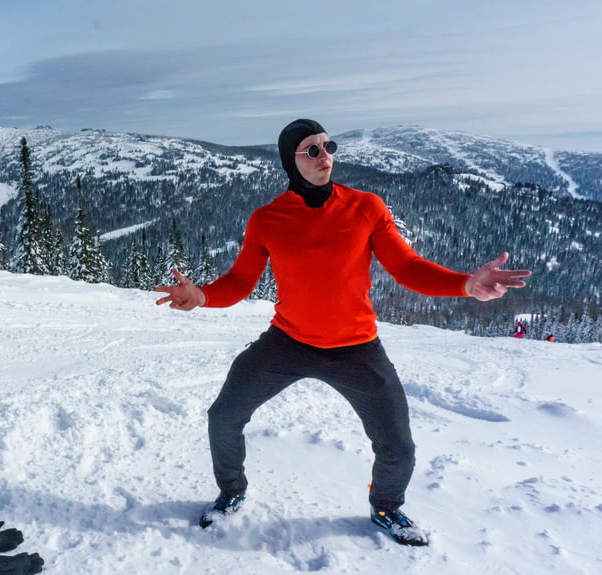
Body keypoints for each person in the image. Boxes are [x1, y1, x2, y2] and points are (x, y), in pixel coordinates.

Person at [155, 118, 531, 546]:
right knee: (223, 417)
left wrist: (464, 284)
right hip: (288, 342)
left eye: (328, 146)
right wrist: (202, 296)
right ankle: (231, 493)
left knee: (398, 445)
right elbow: (241, 282)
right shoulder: (268, 219)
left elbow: (406, 267)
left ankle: (387, 507)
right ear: (290, 162)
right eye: (311, 150)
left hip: (357, 348)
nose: (325, 156)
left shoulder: (366, 207)